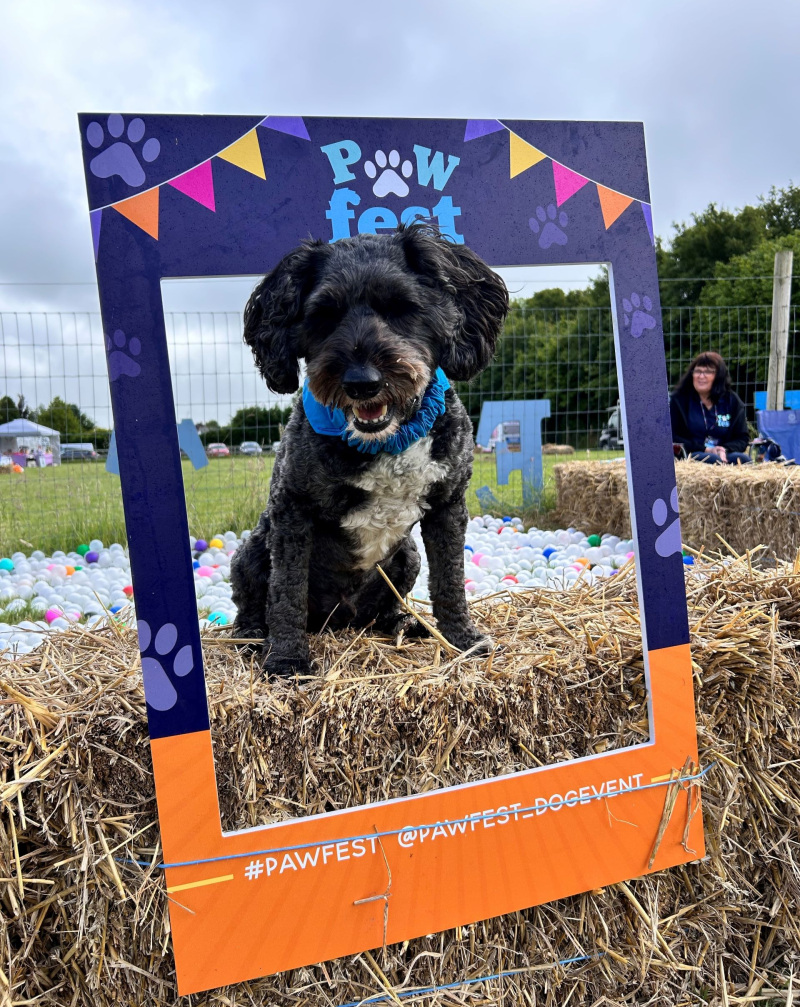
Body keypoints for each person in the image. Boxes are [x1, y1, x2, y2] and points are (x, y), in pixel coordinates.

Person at [670, 352, 751, 464]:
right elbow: (672, 436)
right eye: (698, 371)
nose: (701, 376)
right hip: (690, 454)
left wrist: (724, 449)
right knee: (712, 460)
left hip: (723, 453)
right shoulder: (679, 400)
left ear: (718, 376)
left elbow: (742, 437)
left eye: (707, 371)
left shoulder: (732, 401)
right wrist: (706, 449)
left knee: (743, 460)